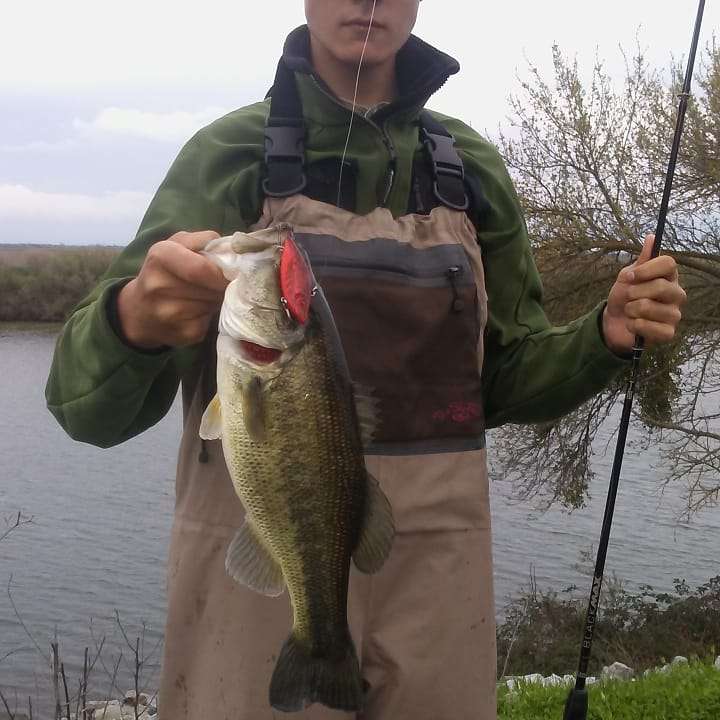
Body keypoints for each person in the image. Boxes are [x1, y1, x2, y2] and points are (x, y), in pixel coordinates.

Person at [45, 1, 686, 718]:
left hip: (438, 585)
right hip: (256, 578)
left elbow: (501, 381)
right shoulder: (226, 155)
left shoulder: (470, 167)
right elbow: (86, 411)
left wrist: (602, 334)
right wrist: (132, 321)